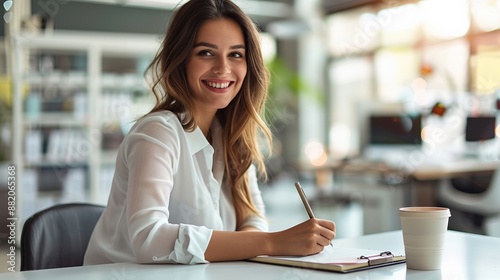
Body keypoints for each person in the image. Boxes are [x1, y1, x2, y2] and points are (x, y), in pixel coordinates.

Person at [84, 0, 336, 265]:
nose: (223, 68)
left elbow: (253, 218)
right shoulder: (157, 133)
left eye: (236, 54)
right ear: (180, 58)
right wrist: (271, 243)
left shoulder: (231, 136)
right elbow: (149, 239)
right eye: (206, 53)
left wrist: (252, 241)